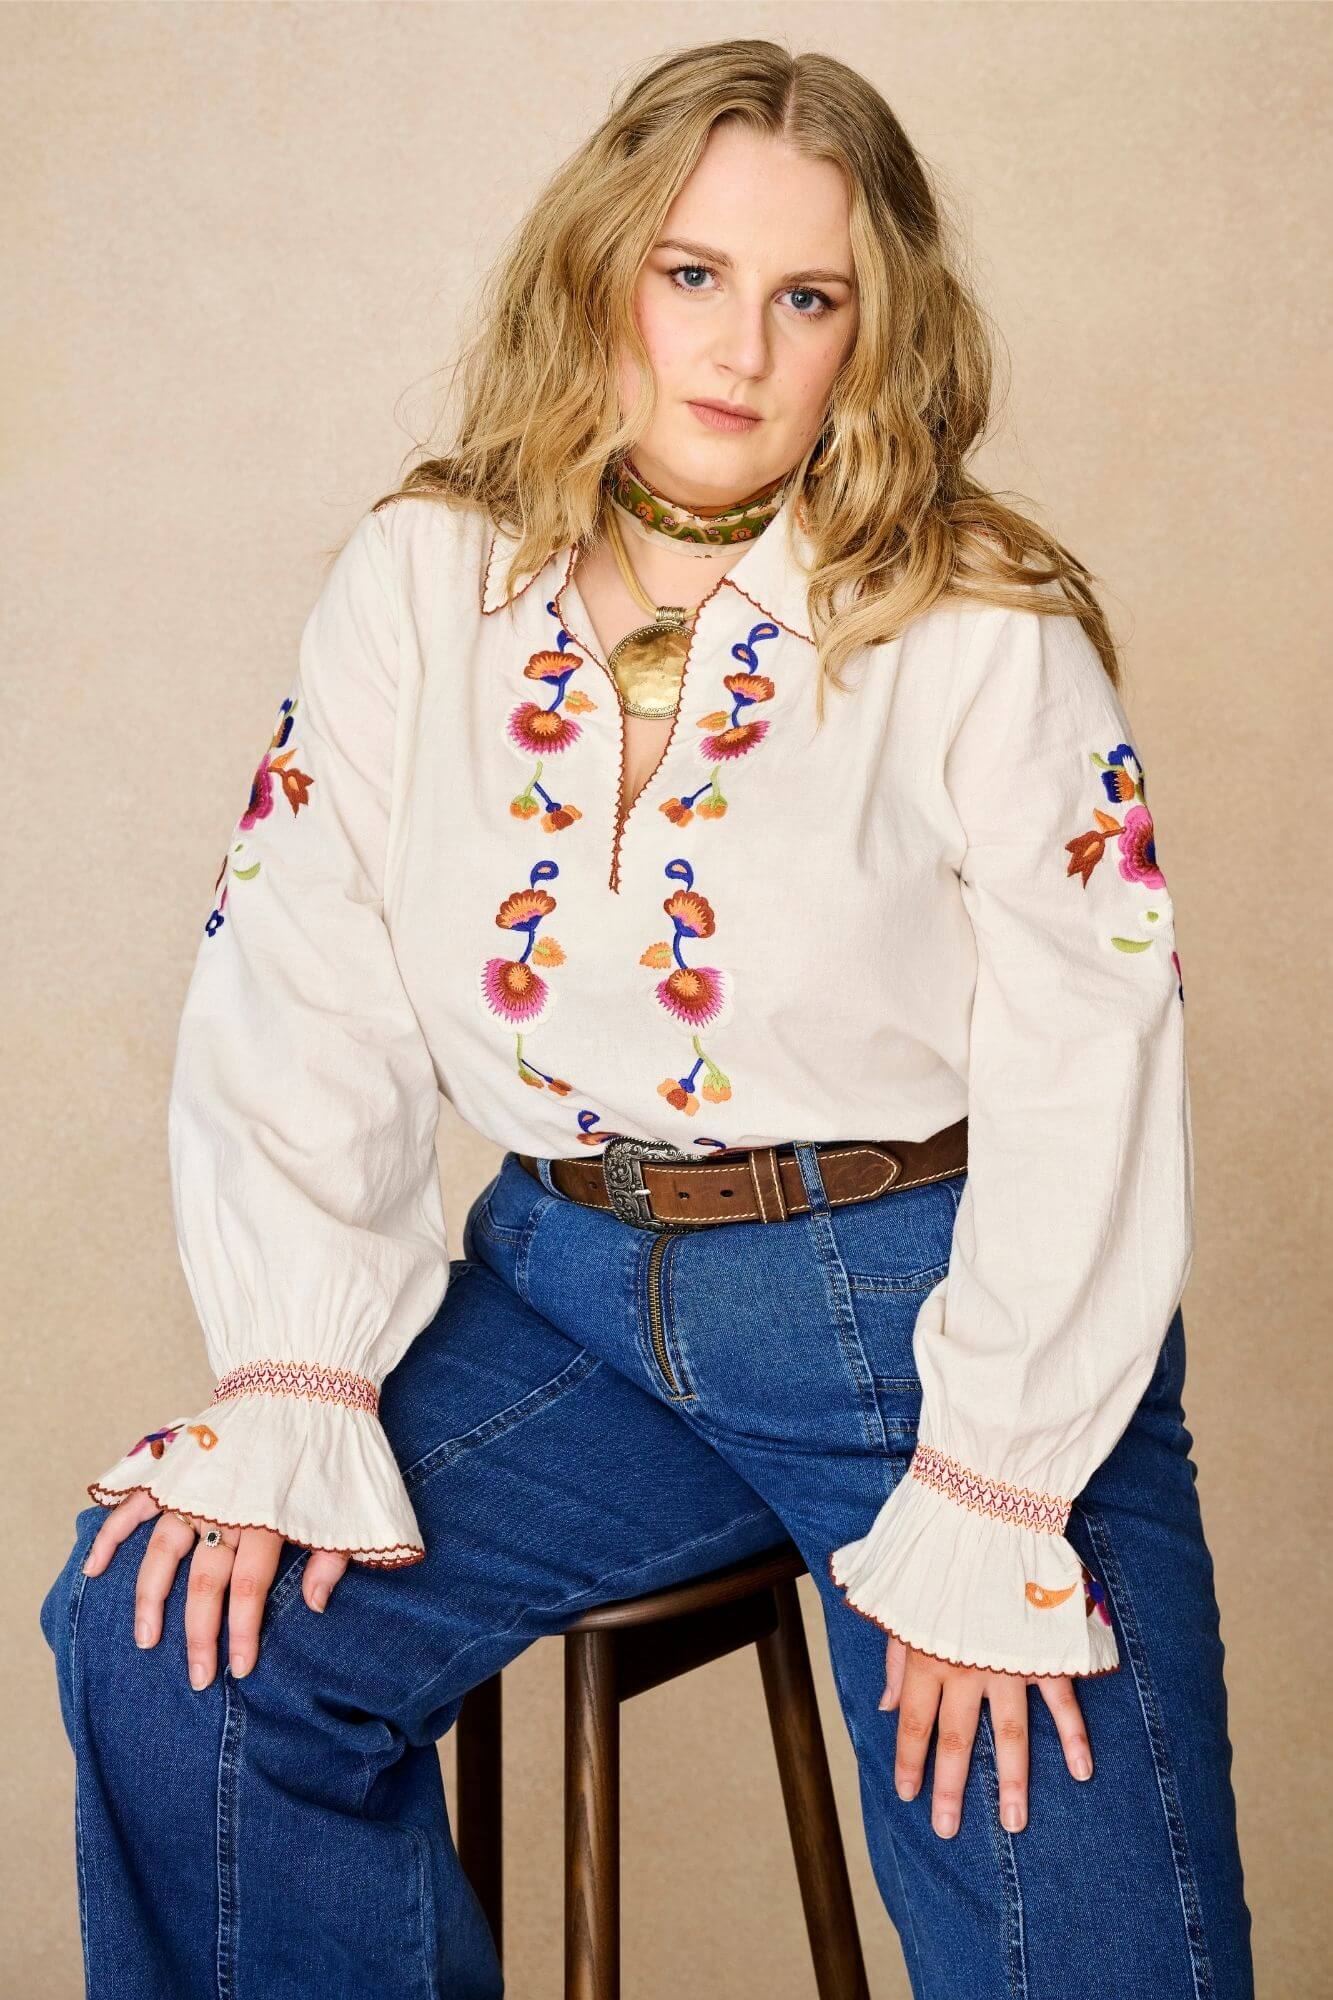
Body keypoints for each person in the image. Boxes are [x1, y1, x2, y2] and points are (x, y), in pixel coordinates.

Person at [39, 38, 1254, 2000]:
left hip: (940, 1304)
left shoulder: (982, 626)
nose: (740, 348)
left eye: (807, 297)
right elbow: (300, 978)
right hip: (568, 1290)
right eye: (689, 273)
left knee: (1082, 1957)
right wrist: (292, 1375)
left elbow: (1091, 1069)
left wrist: (992, 1491)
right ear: (598, 267)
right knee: (180, 1632)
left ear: (879, 332)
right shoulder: (425, 576)